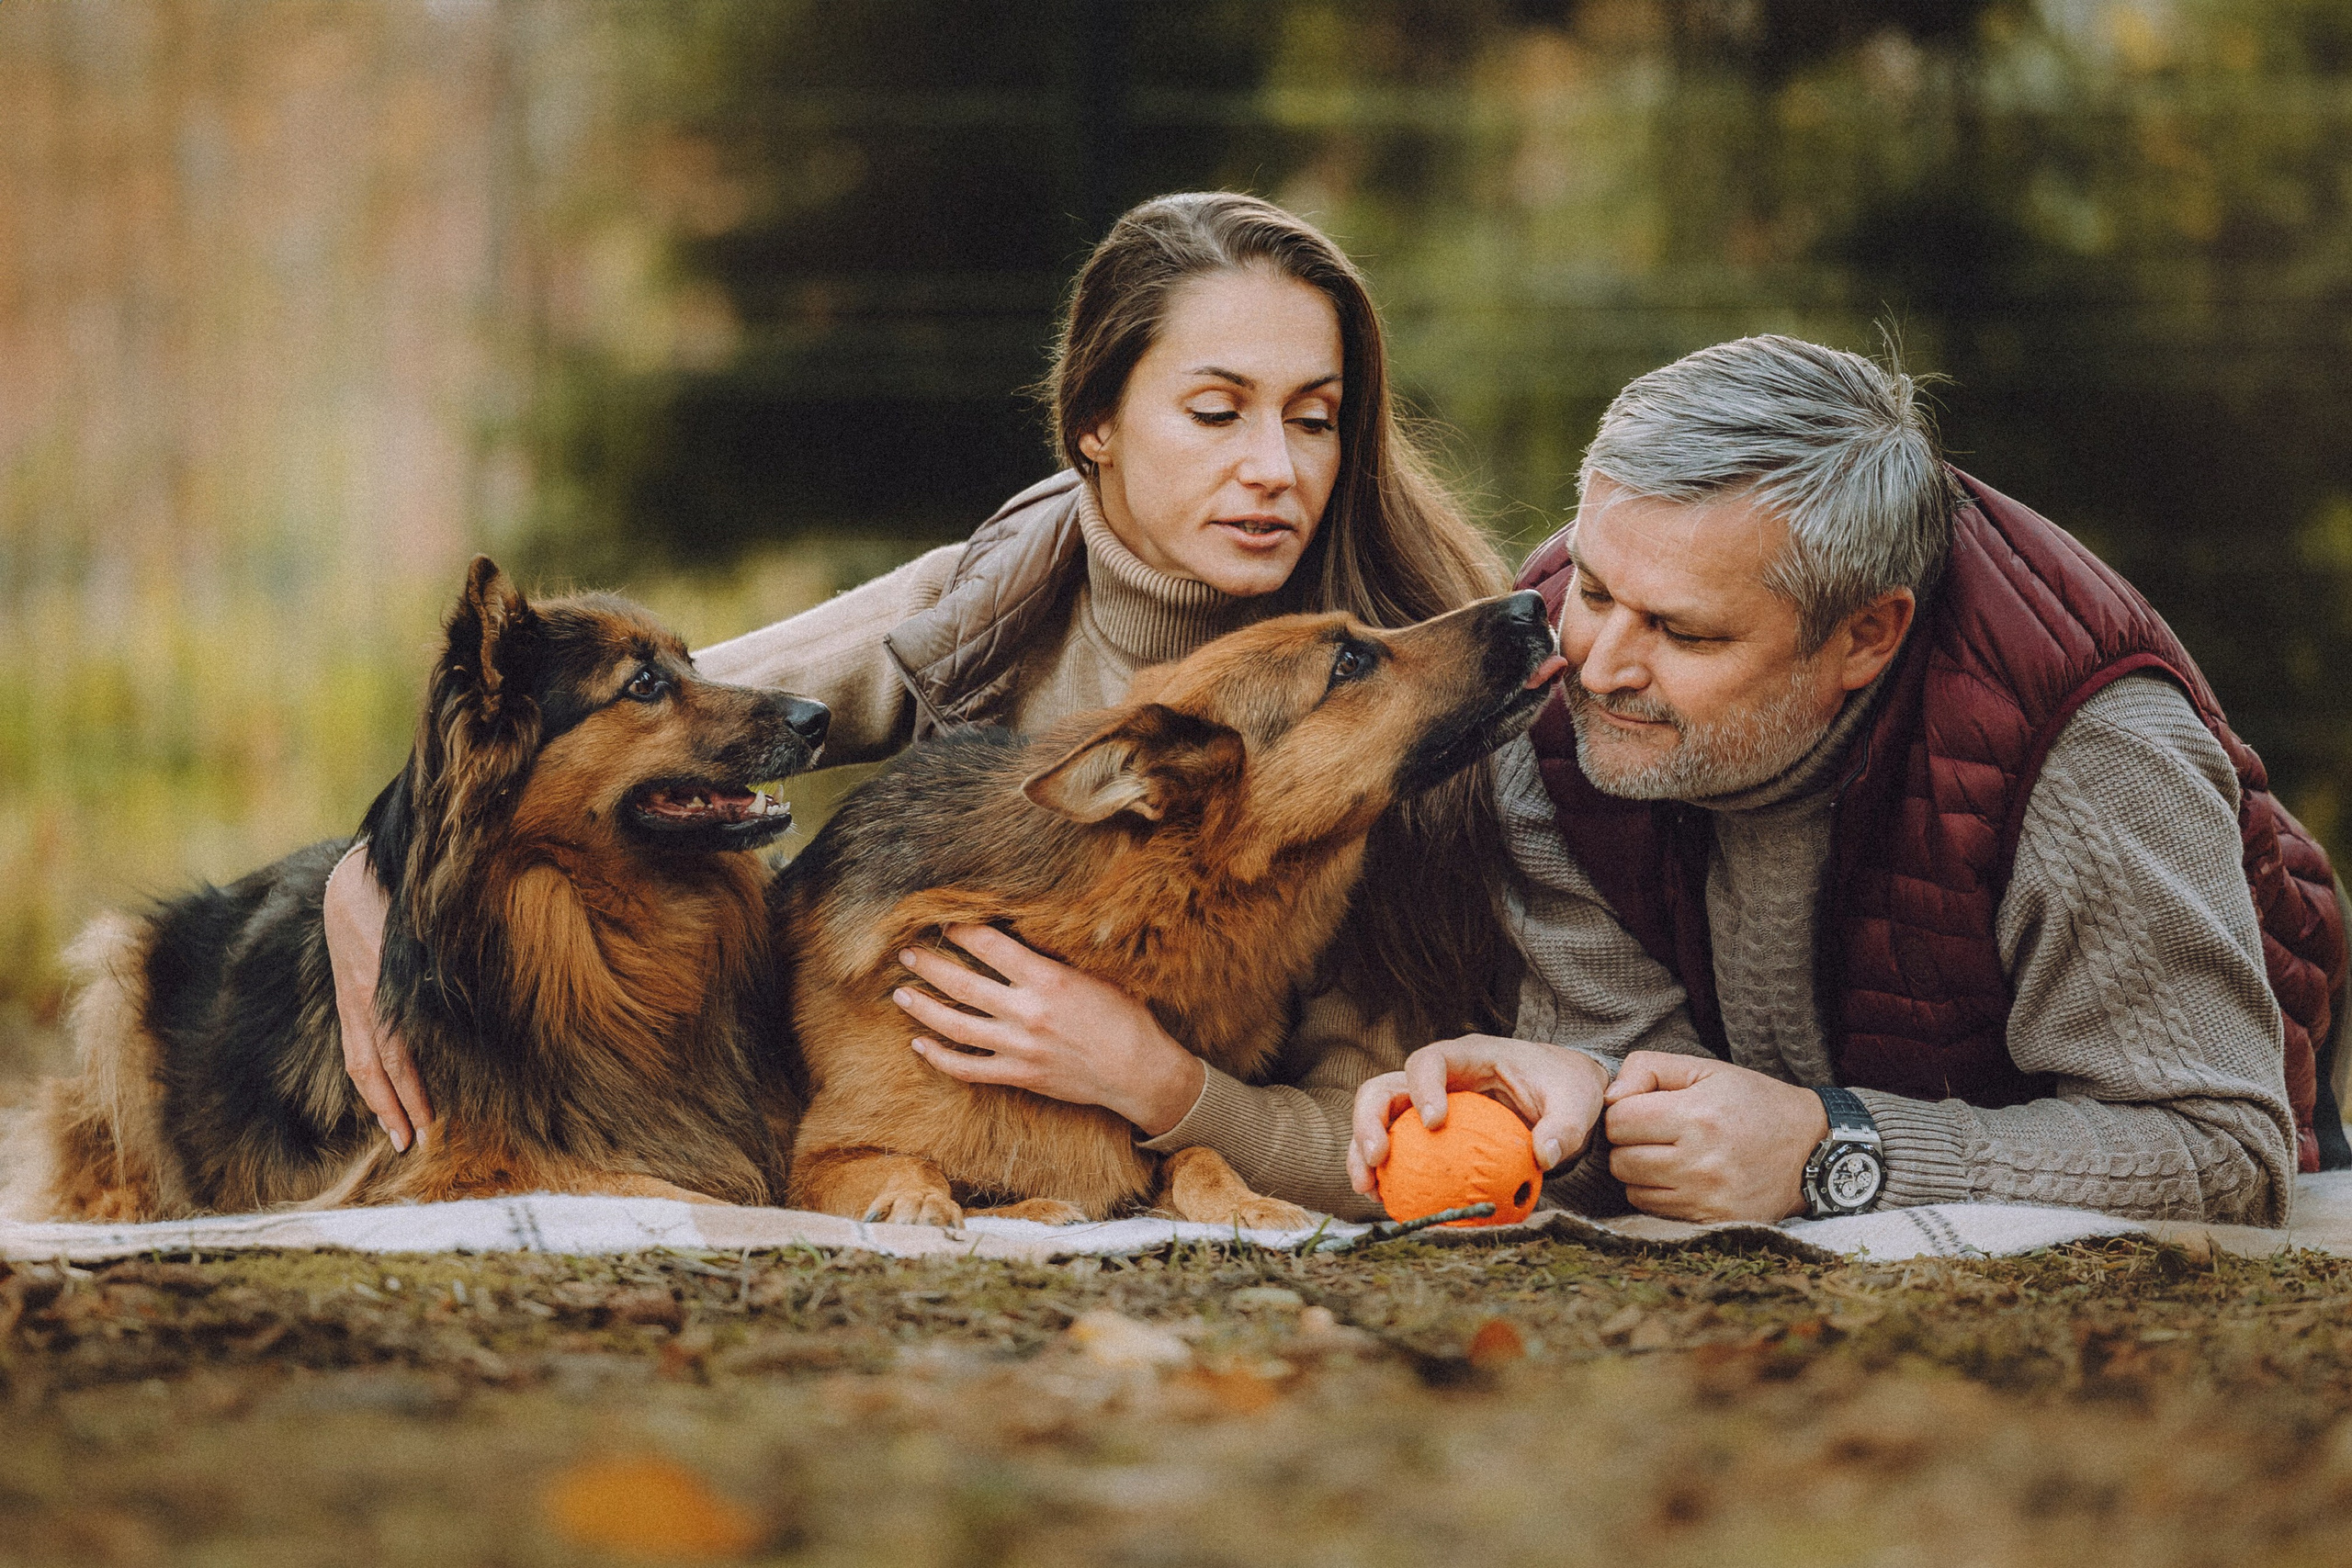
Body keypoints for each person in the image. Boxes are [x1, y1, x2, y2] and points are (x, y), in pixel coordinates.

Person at [324, 191, 1510, 1221]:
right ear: (1094, 425)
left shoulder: (1412, 686)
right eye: (1216, 411)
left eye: (1314, 419)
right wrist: (366, 874)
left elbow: (1377, 1131)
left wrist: (1153, 1082)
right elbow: (591, 741)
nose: (1276, 468)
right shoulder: (980, 603)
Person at [1350, 334, 2347, 1228]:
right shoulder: (1550, 705)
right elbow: (1671, 1108)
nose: (1598, 664)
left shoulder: (2087, 750)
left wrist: (1835, 1148)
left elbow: (2219, 1151)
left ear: (1866, 634)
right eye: (1596, 588)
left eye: (1683, 632)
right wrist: (1578, 1096)